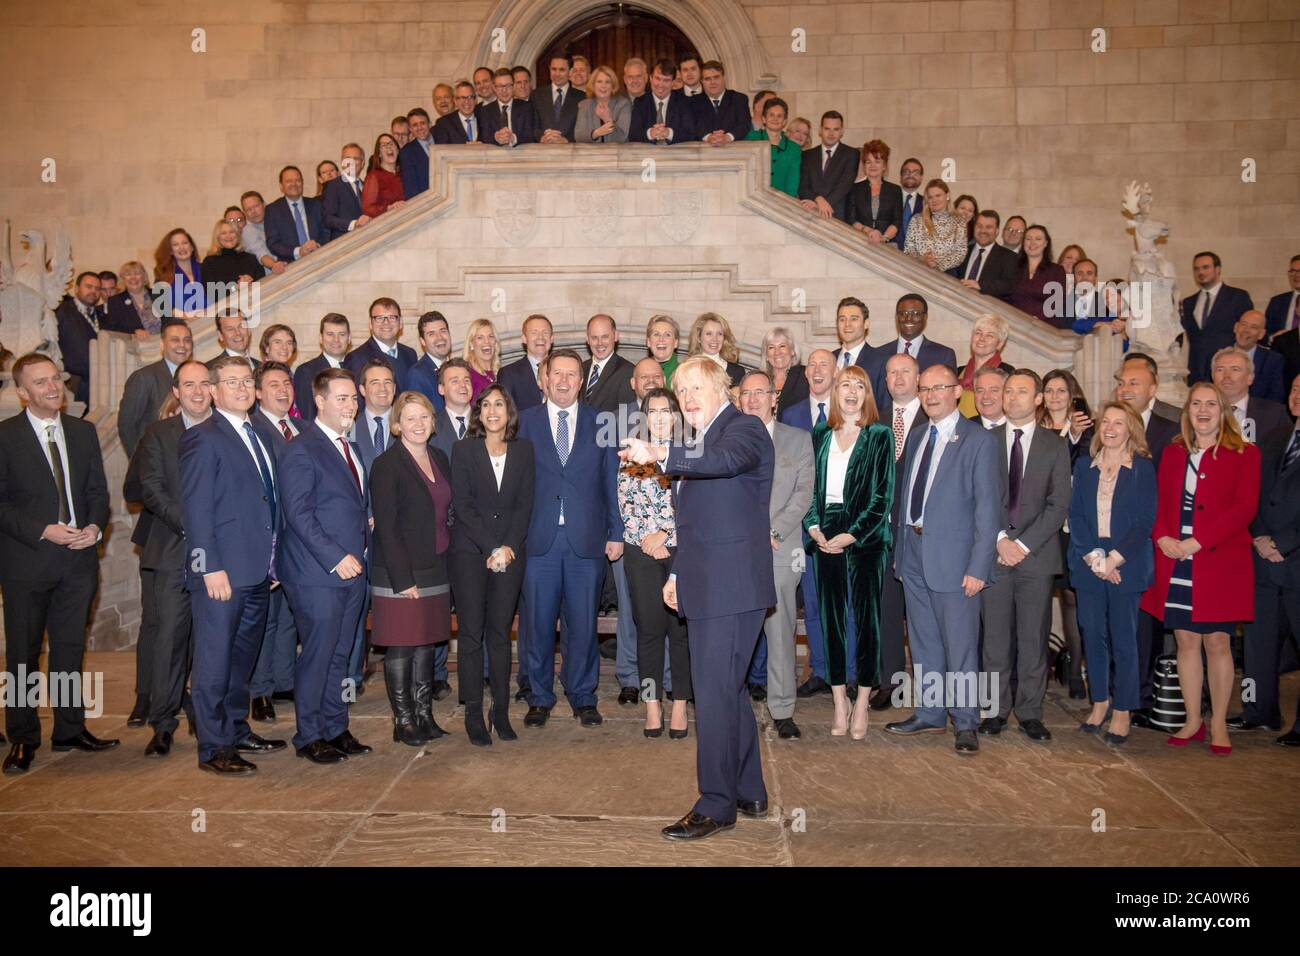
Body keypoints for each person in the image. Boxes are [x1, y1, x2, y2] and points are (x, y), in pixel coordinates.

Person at [620, 357, 775, 841]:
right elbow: (695, 523)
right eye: (679, 390)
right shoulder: (700, 442)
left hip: (733, 589)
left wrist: (660, 454)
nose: (686, 398)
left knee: (710, 693)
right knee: (726, 690)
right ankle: (748, 789)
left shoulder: (744, 428)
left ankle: (715, 804)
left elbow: (725, 464)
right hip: (706, 583)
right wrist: (678, 574)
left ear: (720, 386)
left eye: (694, 388)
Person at [0, 354, 116, 774]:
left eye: (56, 379)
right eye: (41, 382)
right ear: (22, 392)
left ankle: (69, 729)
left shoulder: (82, 432)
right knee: (23, 655)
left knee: (69, 650)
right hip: (26, 562)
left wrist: (93, 528)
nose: (53, 387)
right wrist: (41, 530)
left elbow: (98, 493)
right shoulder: (6, 436)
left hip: (77, 562)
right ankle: (23, 737)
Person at [180, 356, 286, 775]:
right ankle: (213, 747)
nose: (242, 388)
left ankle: (237, 729)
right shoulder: (204, 438)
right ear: (212, 389)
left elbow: (266, 502)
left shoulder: (258, 433)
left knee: (242, 660)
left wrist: (274, 562)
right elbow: (196, 511)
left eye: (247, 380)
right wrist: (209, 568)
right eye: (231, 381)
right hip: (221, 574)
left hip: (258, 571)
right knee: (214, 662)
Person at [886, 364, 999, 755]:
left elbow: (988, 511)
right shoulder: (918, 436)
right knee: (923, 640)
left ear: (957, 391)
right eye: (924, 389)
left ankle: (966, 721)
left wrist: (978, 568)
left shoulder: (978, 441)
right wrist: (901, 553)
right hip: (914, 552)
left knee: (961, 645)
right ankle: (931, 713)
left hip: (956, 560)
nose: (931, 395)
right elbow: (907, 498)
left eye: (939, 387)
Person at [1144, 383, 1260, 756]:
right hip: (1175, 559)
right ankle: (1192, 719)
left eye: (1211, 404)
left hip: (1218, 561)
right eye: (1197, 404)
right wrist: (1162, 537)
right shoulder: (1175, 452)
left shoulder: (1244, 453)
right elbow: (1158, 502)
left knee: (1218, 642)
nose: (1203, 410)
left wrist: (1199, 541)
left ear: (1223, 411)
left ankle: (1220, 722)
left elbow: (1244, 508)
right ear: (1187, 410)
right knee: (1186, 641)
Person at [518, 349, 623, 728]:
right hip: (537, 540)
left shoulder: (602, 422)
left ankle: (582, 694)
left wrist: (617, 532)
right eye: (556, 374)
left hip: (587, 540)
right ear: (544, 379)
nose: (563, 381)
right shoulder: (524, 423)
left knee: (582, 624)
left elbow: (611, 480)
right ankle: (539, 696)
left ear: (582, 381)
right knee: (538, 623)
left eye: (571, 375)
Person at [275, 368, 372, 764]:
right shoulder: (302, 448)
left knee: (340, 653)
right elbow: (298, 513)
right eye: (342, 398)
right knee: (317, 653)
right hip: (319, 573)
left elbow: (345, 502)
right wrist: (335, 557)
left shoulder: (351, 447)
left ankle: (335, 726)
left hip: (354, 569)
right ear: (319, 401)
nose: (350, 405)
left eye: (353, 398)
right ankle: (309, 734)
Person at [978, 370, 1071, 741]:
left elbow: (1058, 503)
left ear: (1037, 399)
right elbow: (980, 498)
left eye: (1022, 392)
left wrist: (1023, 544)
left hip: (1037, 556)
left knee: (1033, 638)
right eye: (1008, 391)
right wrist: (1001, 539)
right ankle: (995, 710)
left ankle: (1031, 712)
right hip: (995, 554)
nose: (1013, 397)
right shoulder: (984, 441)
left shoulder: (1054, 444)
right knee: (995, 640)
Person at [804, 364, 894, 740]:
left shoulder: (879, 435)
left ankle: (862, 702)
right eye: (845, 385)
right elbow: (809, 489)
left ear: (867, 394)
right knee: (833, 623)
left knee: (868, 623)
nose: (852, 391)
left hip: (866, 541)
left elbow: (882, 497)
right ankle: (839, 699)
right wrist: (813, 526)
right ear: (835, 392)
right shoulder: (821, 434)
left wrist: (851, 535)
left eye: (860, 385)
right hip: (824, 537)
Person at [1068, 401, 1157, 745]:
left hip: (1127, 563)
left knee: (1124, 639)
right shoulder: (1084, 465)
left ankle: (1124, 709)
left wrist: (1113, 560)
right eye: (1106, 421)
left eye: (1118, 423)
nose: (1110, 428)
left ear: (1131, 429)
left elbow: (1144, 522)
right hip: (1089, 560)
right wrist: (1096, 559)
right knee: (1092, 634)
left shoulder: (1142, 468)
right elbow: (1075, 516)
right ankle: (1100, 701)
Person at [369, 391, 455, 745]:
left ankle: (424, 715)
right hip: (398, 571)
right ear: (396, 425)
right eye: (410, 418)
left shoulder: (439, 457)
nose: (418, 424)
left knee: (425, 644)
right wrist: (402, 580)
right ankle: (403, 720)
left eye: (424, 417)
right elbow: (386, 528)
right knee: (402, 645)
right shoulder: (387, 465)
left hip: (434, 565)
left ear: (433, 422)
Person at [450, 384, 533, 744]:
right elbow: (462, 504)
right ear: (479, 414)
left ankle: (500, 711)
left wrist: (509, 546)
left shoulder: (524, 451)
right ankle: (472, 713)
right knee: (471, 633)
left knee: (500, 635)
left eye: (500, 404)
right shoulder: (463, 449)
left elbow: (525, 504)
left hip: (510, 555)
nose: (493, 410)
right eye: (486, 405)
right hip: (470, 552)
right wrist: (491, 546)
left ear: (509, 411)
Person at [135, 360, 211, 756]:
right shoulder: (158, 434)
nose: (197, 391)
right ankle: (163, 722)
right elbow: (151, 489)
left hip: (221, 556)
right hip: (173, 551)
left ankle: (207, 714)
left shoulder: (227, 431)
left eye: (204, 384)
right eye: (188, 385)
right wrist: (193, 525)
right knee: (170, 639)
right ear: (176, 392)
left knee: (211, 640)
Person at [619, 387, 692, 738]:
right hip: (640, 550)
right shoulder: (633, 452)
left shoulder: (690, 452)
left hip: (681, 550)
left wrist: (664, 533)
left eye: (667, 411)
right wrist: (648, 541)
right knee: (648, 630)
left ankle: (680, 705)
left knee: (680, 632)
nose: (660, 417)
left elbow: (695, 504)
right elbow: (626, 504)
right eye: (654, 411)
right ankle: (652, 705)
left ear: (676, 415)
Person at [1238, 374, 1300, 745]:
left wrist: (1285, 542)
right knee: (1257, 644)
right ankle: (1256, 710)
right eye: (1293, 389)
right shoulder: (1276, 437)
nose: (1296, 396)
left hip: (1295, 559)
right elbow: (1254, 493)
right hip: (1263, 559)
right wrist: (1260, 535)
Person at [246, 362, 301, 724]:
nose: (282, 389)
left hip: (299, 543)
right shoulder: (255, 429)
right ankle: (260, 691)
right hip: (270, 541)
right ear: (258, 392)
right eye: (273, 384)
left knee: (288, 618)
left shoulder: (300, 428)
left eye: (287, 383)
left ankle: (283, 680)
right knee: (264, 620)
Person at [1041, 369, 1095, 699]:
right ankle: (1041, 664)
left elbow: (1078, 466)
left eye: (1062, 390)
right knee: (1039, 600)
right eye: (1049, 390)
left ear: (1072, 394)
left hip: (1072, 526)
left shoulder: (1085, 428)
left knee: (1073, 599)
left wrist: (1071, 437)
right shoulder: (1034, 425)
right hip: (1042, 527)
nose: (1056, 396)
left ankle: (1076, 669)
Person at [118, 321, 193, 457]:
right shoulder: (144, 378)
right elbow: (126, 426)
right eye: (175, 340)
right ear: (162, 345)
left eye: (187, 340)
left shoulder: (198, 378)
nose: (182, 345)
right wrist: (141, 464)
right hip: (156, 463)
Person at [1181, 251, 1254, 385]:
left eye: (1205, 267)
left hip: (1227, 373)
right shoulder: (1188, 303)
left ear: (1218, 269)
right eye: (1196, 269)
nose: (1200, 272)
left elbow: (1249, 332)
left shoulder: (1237, 297)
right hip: (1197, 373)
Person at [1210, 346, 1290, 443]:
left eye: (1235, 369)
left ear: (1250, 378)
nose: (1227, 376)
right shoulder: (1198, 412)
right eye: (1220, 369)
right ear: (1213, 377)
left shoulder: (1275, 415)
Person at [344, 297, 418, 393]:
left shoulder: (410, 354)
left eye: (392, 317)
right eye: (379, 318)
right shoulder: (356, 358)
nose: (386, 323)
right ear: (370, 323)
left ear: (400, 322)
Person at [830, 296, 889, 416]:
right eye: (842, 319)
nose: (847, 324)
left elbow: (885, 408)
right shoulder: (830, 359)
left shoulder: (881, 361)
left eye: (854, 319)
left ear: (866, 324)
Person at [797, 111, 858, 221]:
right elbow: (803, 186)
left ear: (842, 131)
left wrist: (823, 203)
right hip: (810, 215)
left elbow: (845, 185)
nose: (831, 133)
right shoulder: (807, 155)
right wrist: (818, 199)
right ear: (820, 130)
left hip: (837, 215)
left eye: (836, 129)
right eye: (827, 129)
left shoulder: (851, 154)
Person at [54, 271, 103, 406]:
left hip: (97, 381)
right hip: (73, 381)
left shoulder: (101, 314)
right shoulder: (61, 311)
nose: (93, 291)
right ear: (76, 288)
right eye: (88, 286)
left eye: (97, 288)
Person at [264, 165, 329, 263]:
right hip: (292, 265)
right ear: (281, 186)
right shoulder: (272, 210)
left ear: (302, 183)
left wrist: (317, 245)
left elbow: (327, 231)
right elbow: (273, 243)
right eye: (289, 181)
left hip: (320, 259)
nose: (294, 184)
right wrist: (299, 251)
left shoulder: (316, 205)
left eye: (298, 180)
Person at [294, 313, 351, 422]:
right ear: (321, 338)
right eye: (330, 334)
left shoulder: (357, 367)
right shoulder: (306, 372)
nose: (336, 340)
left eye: (342, 334)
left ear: (349, 338)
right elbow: (308, 416)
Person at [903, 179, 967, 272]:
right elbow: (908, 250)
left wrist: (939, 265)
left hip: (947, 274)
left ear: (947, 195)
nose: (934, 200)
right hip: (919, 272)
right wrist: (922, 259)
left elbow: (960, 252)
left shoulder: (959, 221)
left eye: (938, 195)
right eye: (930, 197)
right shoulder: (916, 219)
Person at [957, 313, 1014, 417]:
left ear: (1000, 344)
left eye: (989, 335)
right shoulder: (958, 371)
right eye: (978, 333)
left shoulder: (1008, 372)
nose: (982, 339)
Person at [846, 139, 903, 244]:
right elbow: (851, 219)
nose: (872, 166)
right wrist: (869, 231)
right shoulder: (854, 189)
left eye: (877, 161)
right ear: (864, 166)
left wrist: (884, 237)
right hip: (860, 241)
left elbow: (897, 221)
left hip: (886, 244)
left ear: (884, 166)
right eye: (868, 162)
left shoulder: (895, 190)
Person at [951, 210, 1018, 299]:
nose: (983, 230)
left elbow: (1009, 285)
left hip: (987, 309)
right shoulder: (962, 251)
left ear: (997, 231)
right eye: (979, 226)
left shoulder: (1009, 257)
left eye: (988, 227)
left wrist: (980, 285)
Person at [880, 293, 957, 370]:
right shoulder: (879, 354)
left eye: (915, 314)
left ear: (925, 317)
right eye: (903, 313)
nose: (909, 318)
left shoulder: (944, 356)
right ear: (897, 317)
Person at [629, 59, 694, 144]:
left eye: (666, 80)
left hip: (677, 155)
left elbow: (691, 133)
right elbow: (633, 135)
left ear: (673, 82)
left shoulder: (684, 102)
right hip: (648, 156)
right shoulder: (640, 102)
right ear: (651, 78)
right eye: (658, 78)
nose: (661, 84)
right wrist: (651, 133)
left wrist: (669, 133)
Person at [744, 97, 800, 197]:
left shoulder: (794, 148)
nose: (775, 119)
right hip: (754, 199)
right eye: (771, 115)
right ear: (764, 118)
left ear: (784, 121)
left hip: (782, 202)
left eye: (779, 116)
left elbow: (792, 182)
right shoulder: (751, 138)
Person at [581, 313, 636, 412]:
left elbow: (626, 418)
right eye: (594, 337)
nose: (599, 343)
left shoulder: (628, 371)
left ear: (616, 336)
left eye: (605, 337)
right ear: (587, 339)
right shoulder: (579, 369)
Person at [498, 313, 551, 411]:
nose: (540, 337)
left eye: (545, 333)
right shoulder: (508, 374)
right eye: (534, 333)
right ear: (524, 339)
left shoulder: (563, 371)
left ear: (552, 338)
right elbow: (504, 413)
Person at [691, 60, 750, 145]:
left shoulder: (739, 99)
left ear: (723, 78)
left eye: (716, 77)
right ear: (702, 81)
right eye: (707, 79)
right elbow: (693, 126)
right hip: (704, 153)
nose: (712, 82)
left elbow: (745, 125)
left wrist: (727, 137)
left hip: (734, 153)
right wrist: (709, 137)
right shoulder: (693, 103)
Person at [1232, 310, 1285, 404]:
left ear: (1261, 334)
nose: (1246, 330)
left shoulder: (1273, 360)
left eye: (1254, 327)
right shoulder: (1217, 356)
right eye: (1243, 324)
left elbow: (1276, 397)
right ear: (1236, 327)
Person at [479, 67, 540, 147]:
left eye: (508, 86)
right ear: (494, 88)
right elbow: (484, 137)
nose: (504, 90)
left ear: (514, 86)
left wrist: (513, 138)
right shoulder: (485, 111)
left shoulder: (526, 107)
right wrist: (496, 138)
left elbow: (531, 136)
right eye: (500, 86)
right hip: (495, 157)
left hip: (521, 156)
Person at [201, 219, 262, 299]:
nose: (228, 236)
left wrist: (251, 283)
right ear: (217, 237)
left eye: (232, 232)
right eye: (223, 233)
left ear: (237, 235)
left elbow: (262, 286)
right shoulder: (209, 262)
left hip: (253, 307)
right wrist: (236, 288)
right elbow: (212, 294)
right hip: (225, 310)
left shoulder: (251, 259)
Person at [322, 143, 371, 240]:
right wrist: (354, 224)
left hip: (368, 240)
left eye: (356, 158)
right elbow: (328, 218)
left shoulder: (368, 186)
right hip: (345, 244)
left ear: (362, 163)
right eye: (348, 158)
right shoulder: (333, 185)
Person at [152, 228, 205, 317]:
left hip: (208, 322)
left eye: (185, 243)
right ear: (171, 251)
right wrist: (183, 316)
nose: (181, 247)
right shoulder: (163, 274)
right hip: (179, 325)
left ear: (192, 247)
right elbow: (161, 305)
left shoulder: (205, 269)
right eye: (175, 245)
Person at [531, 55, 583, 143]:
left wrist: (566, 140)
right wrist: (542, 137)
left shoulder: (582, 97)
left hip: (571, 152)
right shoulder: (536, 95)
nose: (557, 74)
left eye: (562, 70)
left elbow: (584, 130)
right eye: (554, 69)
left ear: (570, 71)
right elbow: (532, 125)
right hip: (543, 151)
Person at [407, 310, 452, 411]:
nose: (440, 337)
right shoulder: (418, 374)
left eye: (443, 331)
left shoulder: (459, 368)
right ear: (423, 341)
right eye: (431, 334)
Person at [687, 312, 746, 387]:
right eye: (709, 334)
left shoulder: (737, 372)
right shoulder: (688, 370)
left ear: (724, 338)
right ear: (699, 338)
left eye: (719, 334)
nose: (714, 339)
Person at [574, 65, 631, 143]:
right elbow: (578, 136)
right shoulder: (584, 105)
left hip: (617, 153)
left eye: (607, 82)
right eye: (599, 82)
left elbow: (622, 138)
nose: (603, 86)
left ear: (613, 86)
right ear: (593, 85)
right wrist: (596, 133)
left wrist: (608, 119)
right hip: (590, 154)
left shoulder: (623, 104)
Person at [105, 260, 162, 336]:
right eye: (128, 274)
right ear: (123, 279)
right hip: (134, 345)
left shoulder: (159, 295)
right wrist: (133, 332)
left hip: (162, 344)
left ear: (144, 277)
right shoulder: (115, 301)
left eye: (137, 273)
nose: (133, 278)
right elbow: (114, 329)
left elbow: (169, 321)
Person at [763, 326, 807, 416]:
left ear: (792, 351)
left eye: (782, 346)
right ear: (766, 355)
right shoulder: (760, 380)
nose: (777, 352)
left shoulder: (805, 376)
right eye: (771, 347)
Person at [239, 190, 284, 276]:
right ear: (245, 213)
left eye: (256, 206)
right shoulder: (247, 231)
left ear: (264, 204)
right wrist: (274, 265)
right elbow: (261, 254)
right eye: (249, 209)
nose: (253, 212)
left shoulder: (276, 219)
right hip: (272, 276)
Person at [362, 133, 407, 218]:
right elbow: (368, 209)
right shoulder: (374, 176)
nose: (388, 147)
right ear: (379, 154)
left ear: (397, 150)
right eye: (383, 145)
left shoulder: (404, 174)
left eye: (391, 144)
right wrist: (389, 208)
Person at [398, 107, 435, 196]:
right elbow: (411, 189)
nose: (420, 128)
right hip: (426, 204)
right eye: (415, 125)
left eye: (422, 123)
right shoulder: (406, 153)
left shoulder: (444, 142)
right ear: (410, 129)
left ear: (429, 124)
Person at [1264, 254, 1300, 336]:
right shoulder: (1277, 302)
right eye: (1293, 271)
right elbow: (1263, 332)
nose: (1296, 275)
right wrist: (1273, 337)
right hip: (1282, 348)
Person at [895, 157, 925, 250]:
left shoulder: (927, 204)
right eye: (906, 172)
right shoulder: (890, 198)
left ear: (921, 178)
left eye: (915, 173)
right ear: (900, 176)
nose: (910, 175)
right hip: (889, 254)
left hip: (915, 259)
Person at [646, 314, 680, 384]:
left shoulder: (684, 373)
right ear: (648, 342)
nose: (661, 339)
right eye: (656, 334)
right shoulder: (640, 371)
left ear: (676, 343)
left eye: (667, 335)